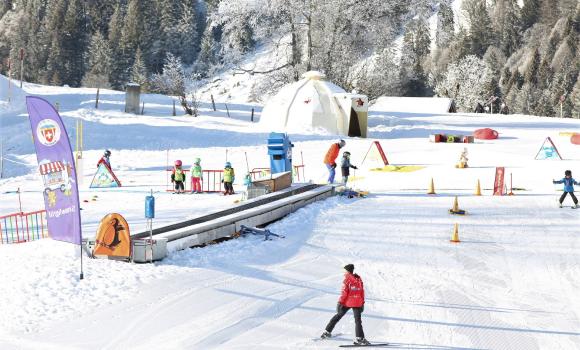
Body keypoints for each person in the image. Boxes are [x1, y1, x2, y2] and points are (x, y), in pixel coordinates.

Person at [321, 264, 369, 346]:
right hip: (357, 302)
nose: (344, 272)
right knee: (358, 321)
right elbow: (362, 292)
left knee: (338, 316)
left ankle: (327, 332)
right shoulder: (359, 279)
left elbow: (344, 293)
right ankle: (360, 339)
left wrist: (339, 303)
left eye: (345, 270)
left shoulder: (347, 280)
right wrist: (362, 303)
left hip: (347, 302)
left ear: (348, 271)